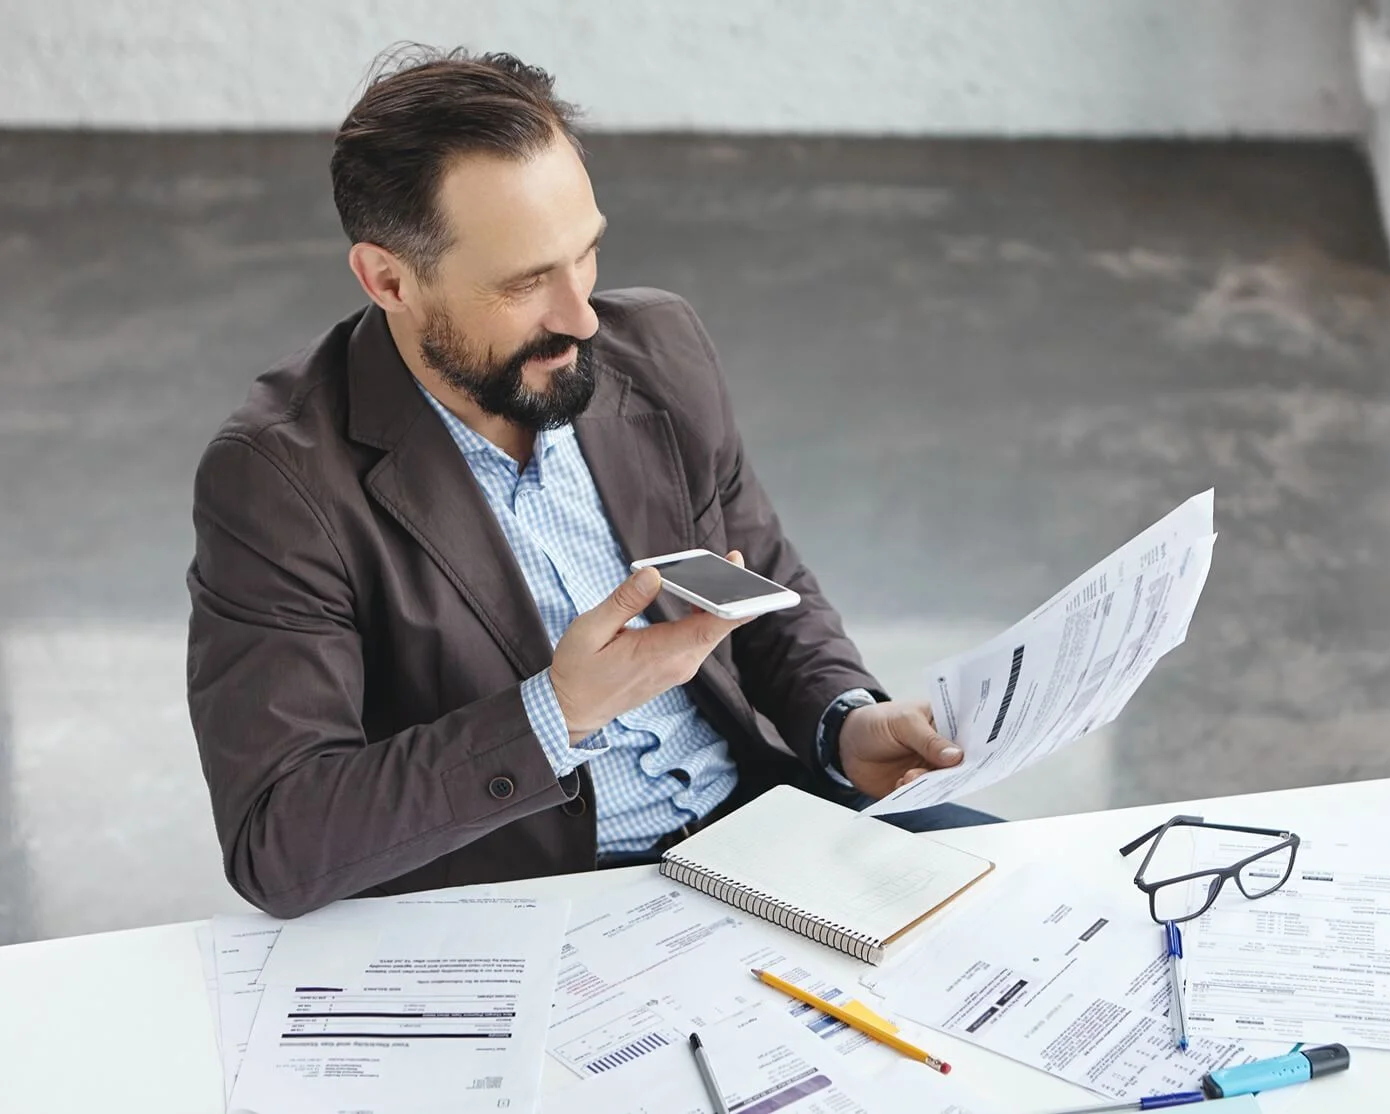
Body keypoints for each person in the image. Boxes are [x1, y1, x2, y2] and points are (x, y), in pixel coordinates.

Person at [185, 48, 995, 920]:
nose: (580, 318)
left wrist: (846, 725)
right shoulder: (278, 482)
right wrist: (555, 712)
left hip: (763, 822)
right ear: (388, 279)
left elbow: (764, 582)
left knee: (1045, 917)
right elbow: (279, 840)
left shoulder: (660, 350)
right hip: (549, 900)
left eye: (586, 256)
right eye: (527, 282)